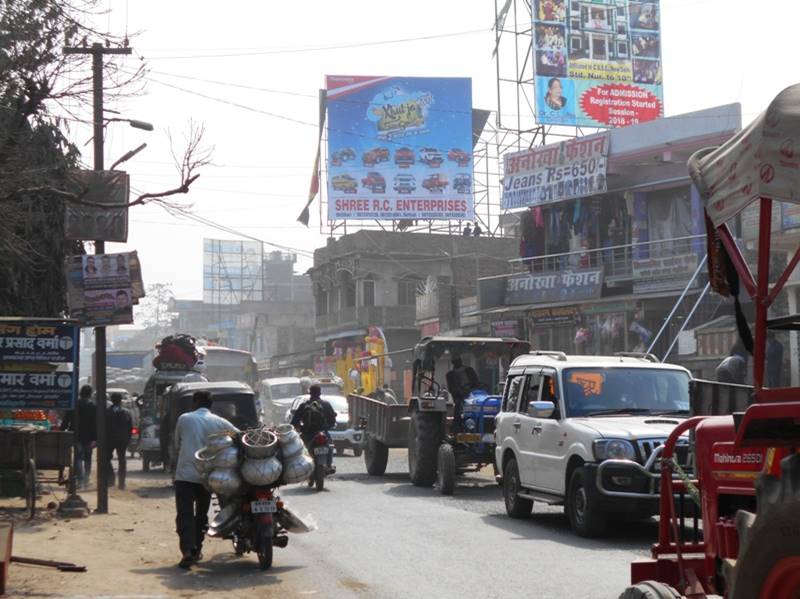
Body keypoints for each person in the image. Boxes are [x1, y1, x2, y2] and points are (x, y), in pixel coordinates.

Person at [173, 390, 237, 569]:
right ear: (210, 404)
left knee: (184, 514)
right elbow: (238, 436)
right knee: (201, 514)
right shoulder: (219, 422)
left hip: (185, 476)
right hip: (206, 478)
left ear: (195, 402)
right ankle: (196, 548)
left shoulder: (184, 419)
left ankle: (188, 550)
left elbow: (177, 444)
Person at [291, 384, 337, 473]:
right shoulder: (326, 404)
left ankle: (302, 466)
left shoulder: (304, 405)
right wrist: (328, 427)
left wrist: (299, 428)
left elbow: (294, 421)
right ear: (320, 393)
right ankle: (329, 465)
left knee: (301, 448)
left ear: (310, 393)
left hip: (307, 434)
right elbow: (332, 420)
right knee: (330, 446)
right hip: (323, 432)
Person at [62, 385, 97, 488]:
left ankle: (80, 479)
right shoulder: (93, 407)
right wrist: (95, 439)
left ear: (80, 393)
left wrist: (62, 430)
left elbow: (66, 420)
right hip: (89, 437)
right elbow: (96, 424)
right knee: (88, 458)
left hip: (76, 435)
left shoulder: (74, 405)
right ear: (90, 394)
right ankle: (86, 479)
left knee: (78, 457)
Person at [445, 356, 480, 433]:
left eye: (458, 361)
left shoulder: (469, 370)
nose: (457, 363)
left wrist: (472, 390)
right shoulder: (450, 375)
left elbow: (476, 382)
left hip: (472, 393)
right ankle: (457, 427)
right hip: (459, 396)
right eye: (455, 362)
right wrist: (459, 394)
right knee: (458, 406)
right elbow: (452, 388)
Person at [105, 393, 132, 489]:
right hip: (122, 440)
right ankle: (121, 484)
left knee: (106, 459)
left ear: (111, 400)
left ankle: (111, 480)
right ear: (120, 400)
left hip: (110, 440)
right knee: (122, 461)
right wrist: (128, 439)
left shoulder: (107, 412)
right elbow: (130, 428)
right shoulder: (127, 412)